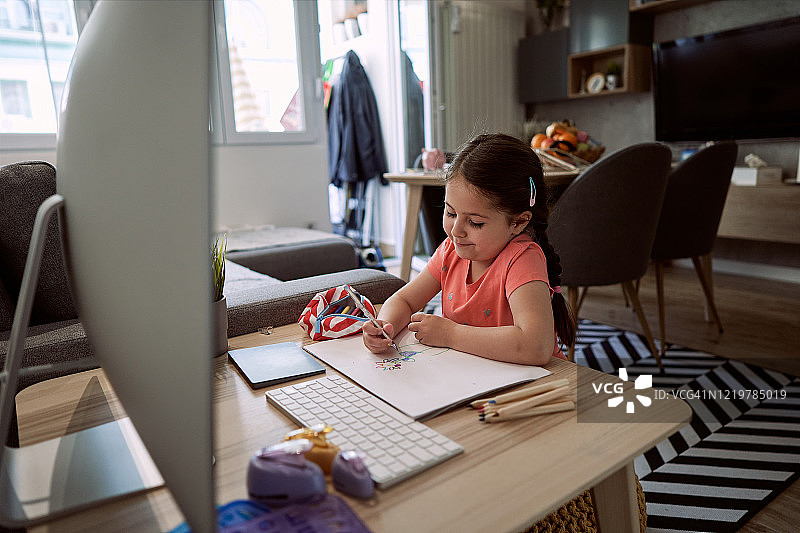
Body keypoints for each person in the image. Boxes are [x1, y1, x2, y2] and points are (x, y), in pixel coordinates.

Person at [362, 133, 575, 365]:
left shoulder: (522, 259)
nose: (456, 231)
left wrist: (450, 334)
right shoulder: (450, 251)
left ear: (518, 222)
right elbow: (404, 300)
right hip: (473, 373)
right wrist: (385, 326)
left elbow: (536, 347)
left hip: (538, 379)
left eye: (475, 222)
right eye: (451, 213)